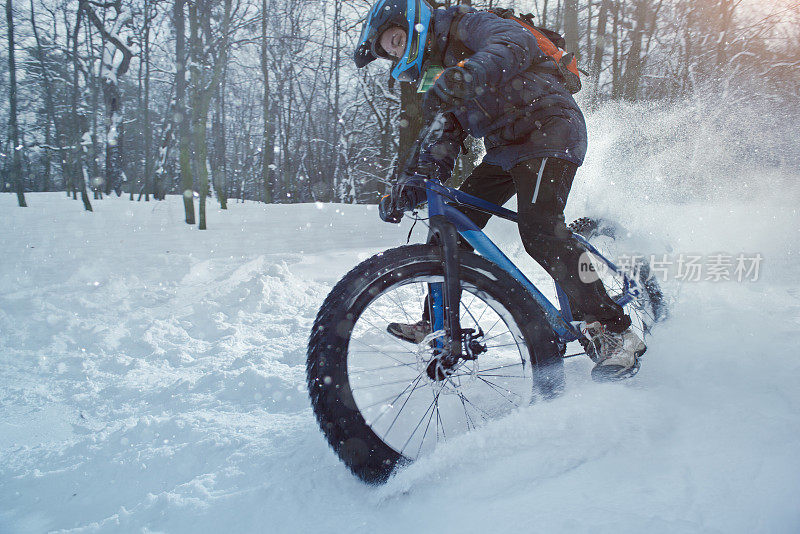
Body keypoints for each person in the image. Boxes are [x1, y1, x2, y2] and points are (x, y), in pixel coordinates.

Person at [354, 0, 645, 381]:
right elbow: (444, 133)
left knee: (541, 232)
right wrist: (413, 181)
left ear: (411, 20)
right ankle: (438, 320)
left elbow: (513, 45)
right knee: (452, 226)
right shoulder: (435, 72)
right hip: (505, 149)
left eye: (395, 39)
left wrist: (463, 77)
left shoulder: (467, 24)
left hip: (550, 127)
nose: (396, 51)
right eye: (390, 51)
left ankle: (615, 329)